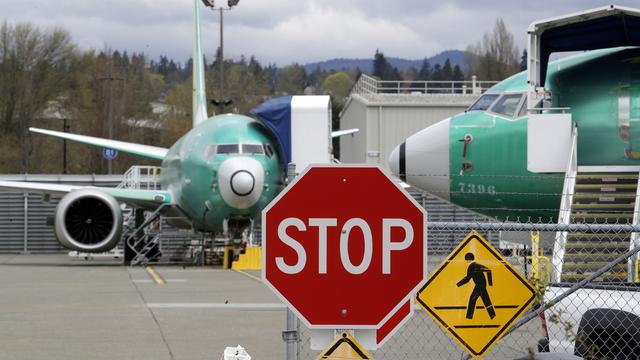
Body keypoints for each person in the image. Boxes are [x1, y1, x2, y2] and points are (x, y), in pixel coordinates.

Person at [456, 252, 496, 320]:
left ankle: (469, 316)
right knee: (485, 300)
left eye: (466, 260)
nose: (465, 262)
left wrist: (457, 284)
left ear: (468, 260)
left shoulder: (472, 266)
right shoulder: (476, 265)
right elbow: (488, 270)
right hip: (481, 285)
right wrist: (489, 283)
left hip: (479, 286)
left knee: (474, 299)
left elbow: (467, 279)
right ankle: (492, 315)